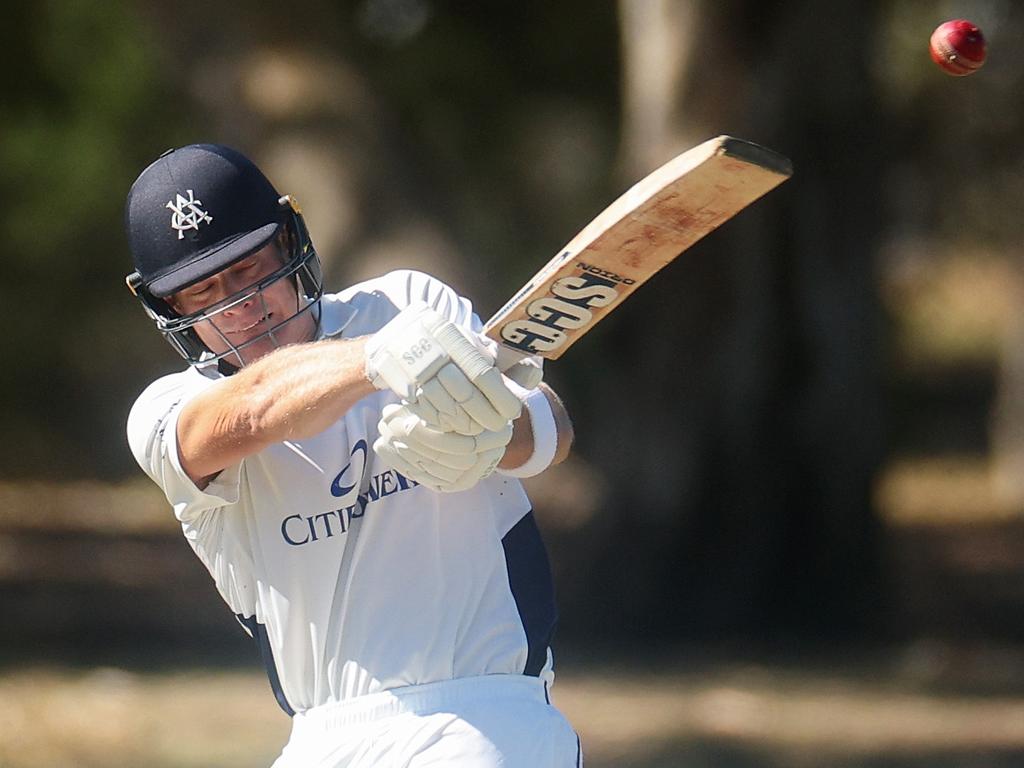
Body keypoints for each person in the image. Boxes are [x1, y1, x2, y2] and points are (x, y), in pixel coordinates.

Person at [124, 143, 582, 767]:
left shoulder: (406, 303)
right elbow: (254, 408)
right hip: (321, 736)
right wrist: (374, 359)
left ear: (289, 244)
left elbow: (549, 426)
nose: (242, 309)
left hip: (485, 717)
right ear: (167, 309)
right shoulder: (166, 410)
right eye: (203, 294)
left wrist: (498, 435)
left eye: (248, 269)